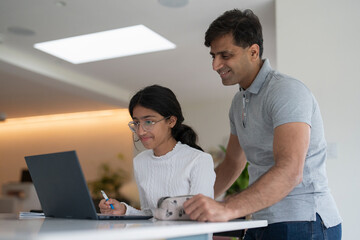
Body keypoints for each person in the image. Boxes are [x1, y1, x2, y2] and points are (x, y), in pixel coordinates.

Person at [183, 9, 342, 239]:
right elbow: (232, 164)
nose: (215, 65)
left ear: (253, 52)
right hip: (262, 219)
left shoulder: (286, 91)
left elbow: (290, 171)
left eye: (225, 56)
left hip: (304, 221)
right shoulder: (239, 102)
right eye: (213, 56)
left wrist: (226, 208)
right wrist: (189, 207)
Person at [99, 84, 215, 216]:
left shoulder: (199, 160)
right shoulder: (140, 161)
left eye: (148, 122)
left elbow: (201, 215)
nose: (140, 131)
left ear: (171, 121)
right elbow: (149, 214)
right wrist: (125, 210)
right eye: (136, 123)